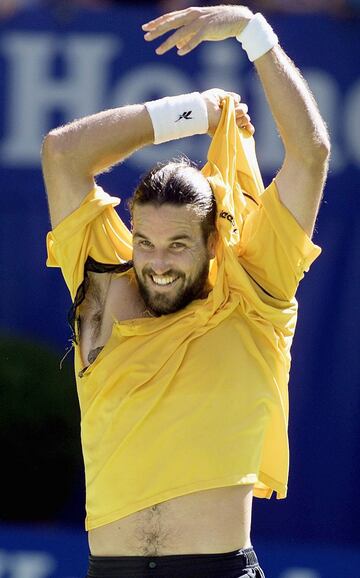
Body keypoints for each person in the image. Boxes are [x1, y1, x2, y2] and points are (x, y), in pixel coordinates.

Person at [42, 5, 330, 577]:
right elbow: (62, 152)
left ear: (214, 242)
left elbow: (311, 153)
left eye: (177, 245)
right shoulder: (104, 287)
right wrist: (197, 111)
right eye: (144, 241)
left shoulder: (255, 290)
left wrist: (254, 32)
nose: (156, 262)